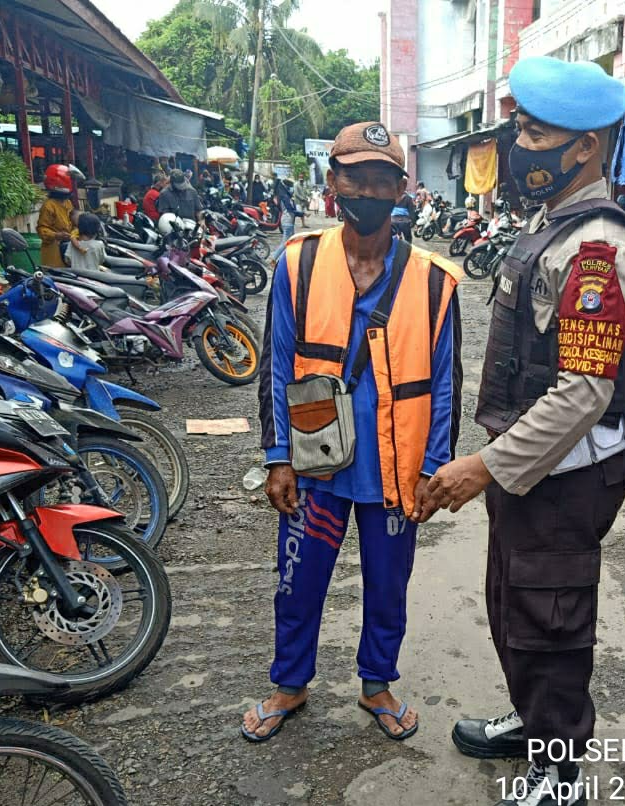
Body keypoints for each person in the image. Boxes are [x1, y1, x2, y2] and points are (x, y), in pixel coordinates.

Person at [425, 56, 625, 806]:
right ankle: (532, 723)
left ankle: (557, 770)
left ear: (584, 145)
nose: (519, 146)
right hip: (535, 469)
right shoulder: (552, 227)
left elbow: (583, 393)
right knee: (513, 604)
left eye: (533, 130)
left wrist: (483, 465)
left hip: (567, 474)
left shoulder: (595, 250)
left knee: (549, 620)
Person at [248, 121, 464, 744]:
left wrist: (435, 466)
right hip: (317, 465)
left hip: (396, 470)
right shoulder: (298, 263)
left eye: (381, 179)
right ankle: (289, 683)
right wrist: (277, 457)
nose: (366, 190)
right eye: (355, 177)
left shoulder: (434, 281)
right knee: (299, 580)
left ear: (401, 190)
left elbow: (446, 384)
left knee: (388, 584)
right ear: (333, 182)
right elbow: (277, 360)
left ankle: (378, 685)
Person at [36, 164, 76, 268]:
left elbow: (71, 222)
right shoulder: (49, 205)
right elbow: (42, 229)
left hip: (67, 246)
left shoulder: (67, 203)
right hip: (53, 248)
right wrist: (56, 235)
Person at [270, 178, 299, 265]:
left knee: (293, 241)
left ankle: (289, 258)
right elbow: (291, 210)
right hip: (287, 221)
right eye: (290, 186)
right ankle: (273, 259)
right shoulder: (285, 197)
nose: (292, 188)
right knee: (285, 242)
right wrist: (303, 214)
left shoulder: (285, 195)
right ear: (286, 187)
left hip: (288, 220)